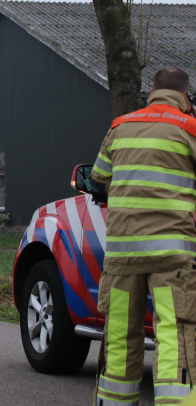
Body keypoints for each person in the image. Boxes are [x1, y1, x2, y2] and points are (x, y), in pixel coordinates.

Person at [91, 68, 196, 406]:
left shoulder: (121, 125)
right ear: (186, 97)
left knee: (120, 334)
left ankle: (113, 401)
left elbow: (98, 178)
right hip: (171, 257)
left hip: (122, 256)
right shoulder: (190, 128)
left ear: (151, 91)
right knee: (173, 332)